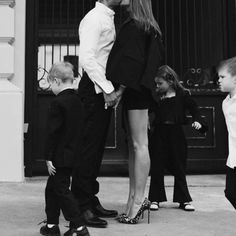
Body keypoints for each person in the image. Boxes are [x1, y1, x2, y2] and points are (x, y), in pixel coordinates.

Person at [106, 0, 165, 224]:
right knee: (135, 145)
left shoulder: (137, 26)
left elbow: (131, 61)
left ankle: (139, 201)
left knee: (139, 145)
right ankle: (133, 199)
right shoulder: (146, 26)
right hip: (138, 90)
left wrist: (119, 89)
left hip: (136, 90)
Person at [71, 0, 122, 228]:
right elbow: (87, 59)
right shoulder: (94, 18)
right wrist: (108, 89)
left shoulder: (107, 16)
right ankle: (81, 208)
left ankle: (90, 199)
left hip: (100, 91)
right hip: (94, 92)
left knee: (96, 150)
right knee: (88, 151)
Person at [148, 65, 208, 212]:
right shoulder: (156, 97)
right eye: (156, 83)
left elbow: (195, 110)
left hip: (176, 134)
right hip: (159, 134)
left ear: (170, 81)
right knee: (157, 166)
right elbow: (147, 112)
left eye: (160, 83)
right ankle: (155, 198)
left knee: (179, 166)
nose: (157, 86)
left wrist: (199, 121)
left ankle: (184, 200)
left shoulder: (182, 95)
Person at [39, 62, 90, 236]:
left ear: (56, 80)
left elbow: (53, 133)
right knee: (52, 188)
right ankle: (52, 225)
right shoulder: (78, 101)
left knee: (61, 190)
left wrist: (48, 157)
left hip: (59, 157)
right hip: (74, 154)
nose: (51, 87)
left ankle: (79, 226)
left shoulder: (58, 103)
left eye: (50, 83)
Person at [218, 57, 236, 209]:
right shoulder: (226, 102)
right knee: (230, 192)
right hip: (233, 159)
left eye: (223, 77)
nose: (219, 80)